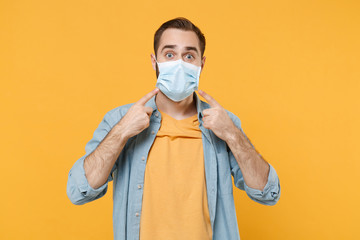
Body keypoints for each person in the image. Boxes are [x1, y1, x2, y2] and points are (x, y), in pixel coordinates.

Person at [67, 17, 281, 240]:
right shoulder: (121, 119)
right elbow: (79, 191)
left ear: (201, 64)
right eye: (169, 54)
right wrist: (122, 132)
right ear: (154, 61)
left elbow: (268, 193)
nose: (179, 63)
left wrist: (232, 135)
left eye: (189, 56)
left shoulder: (224, 123)